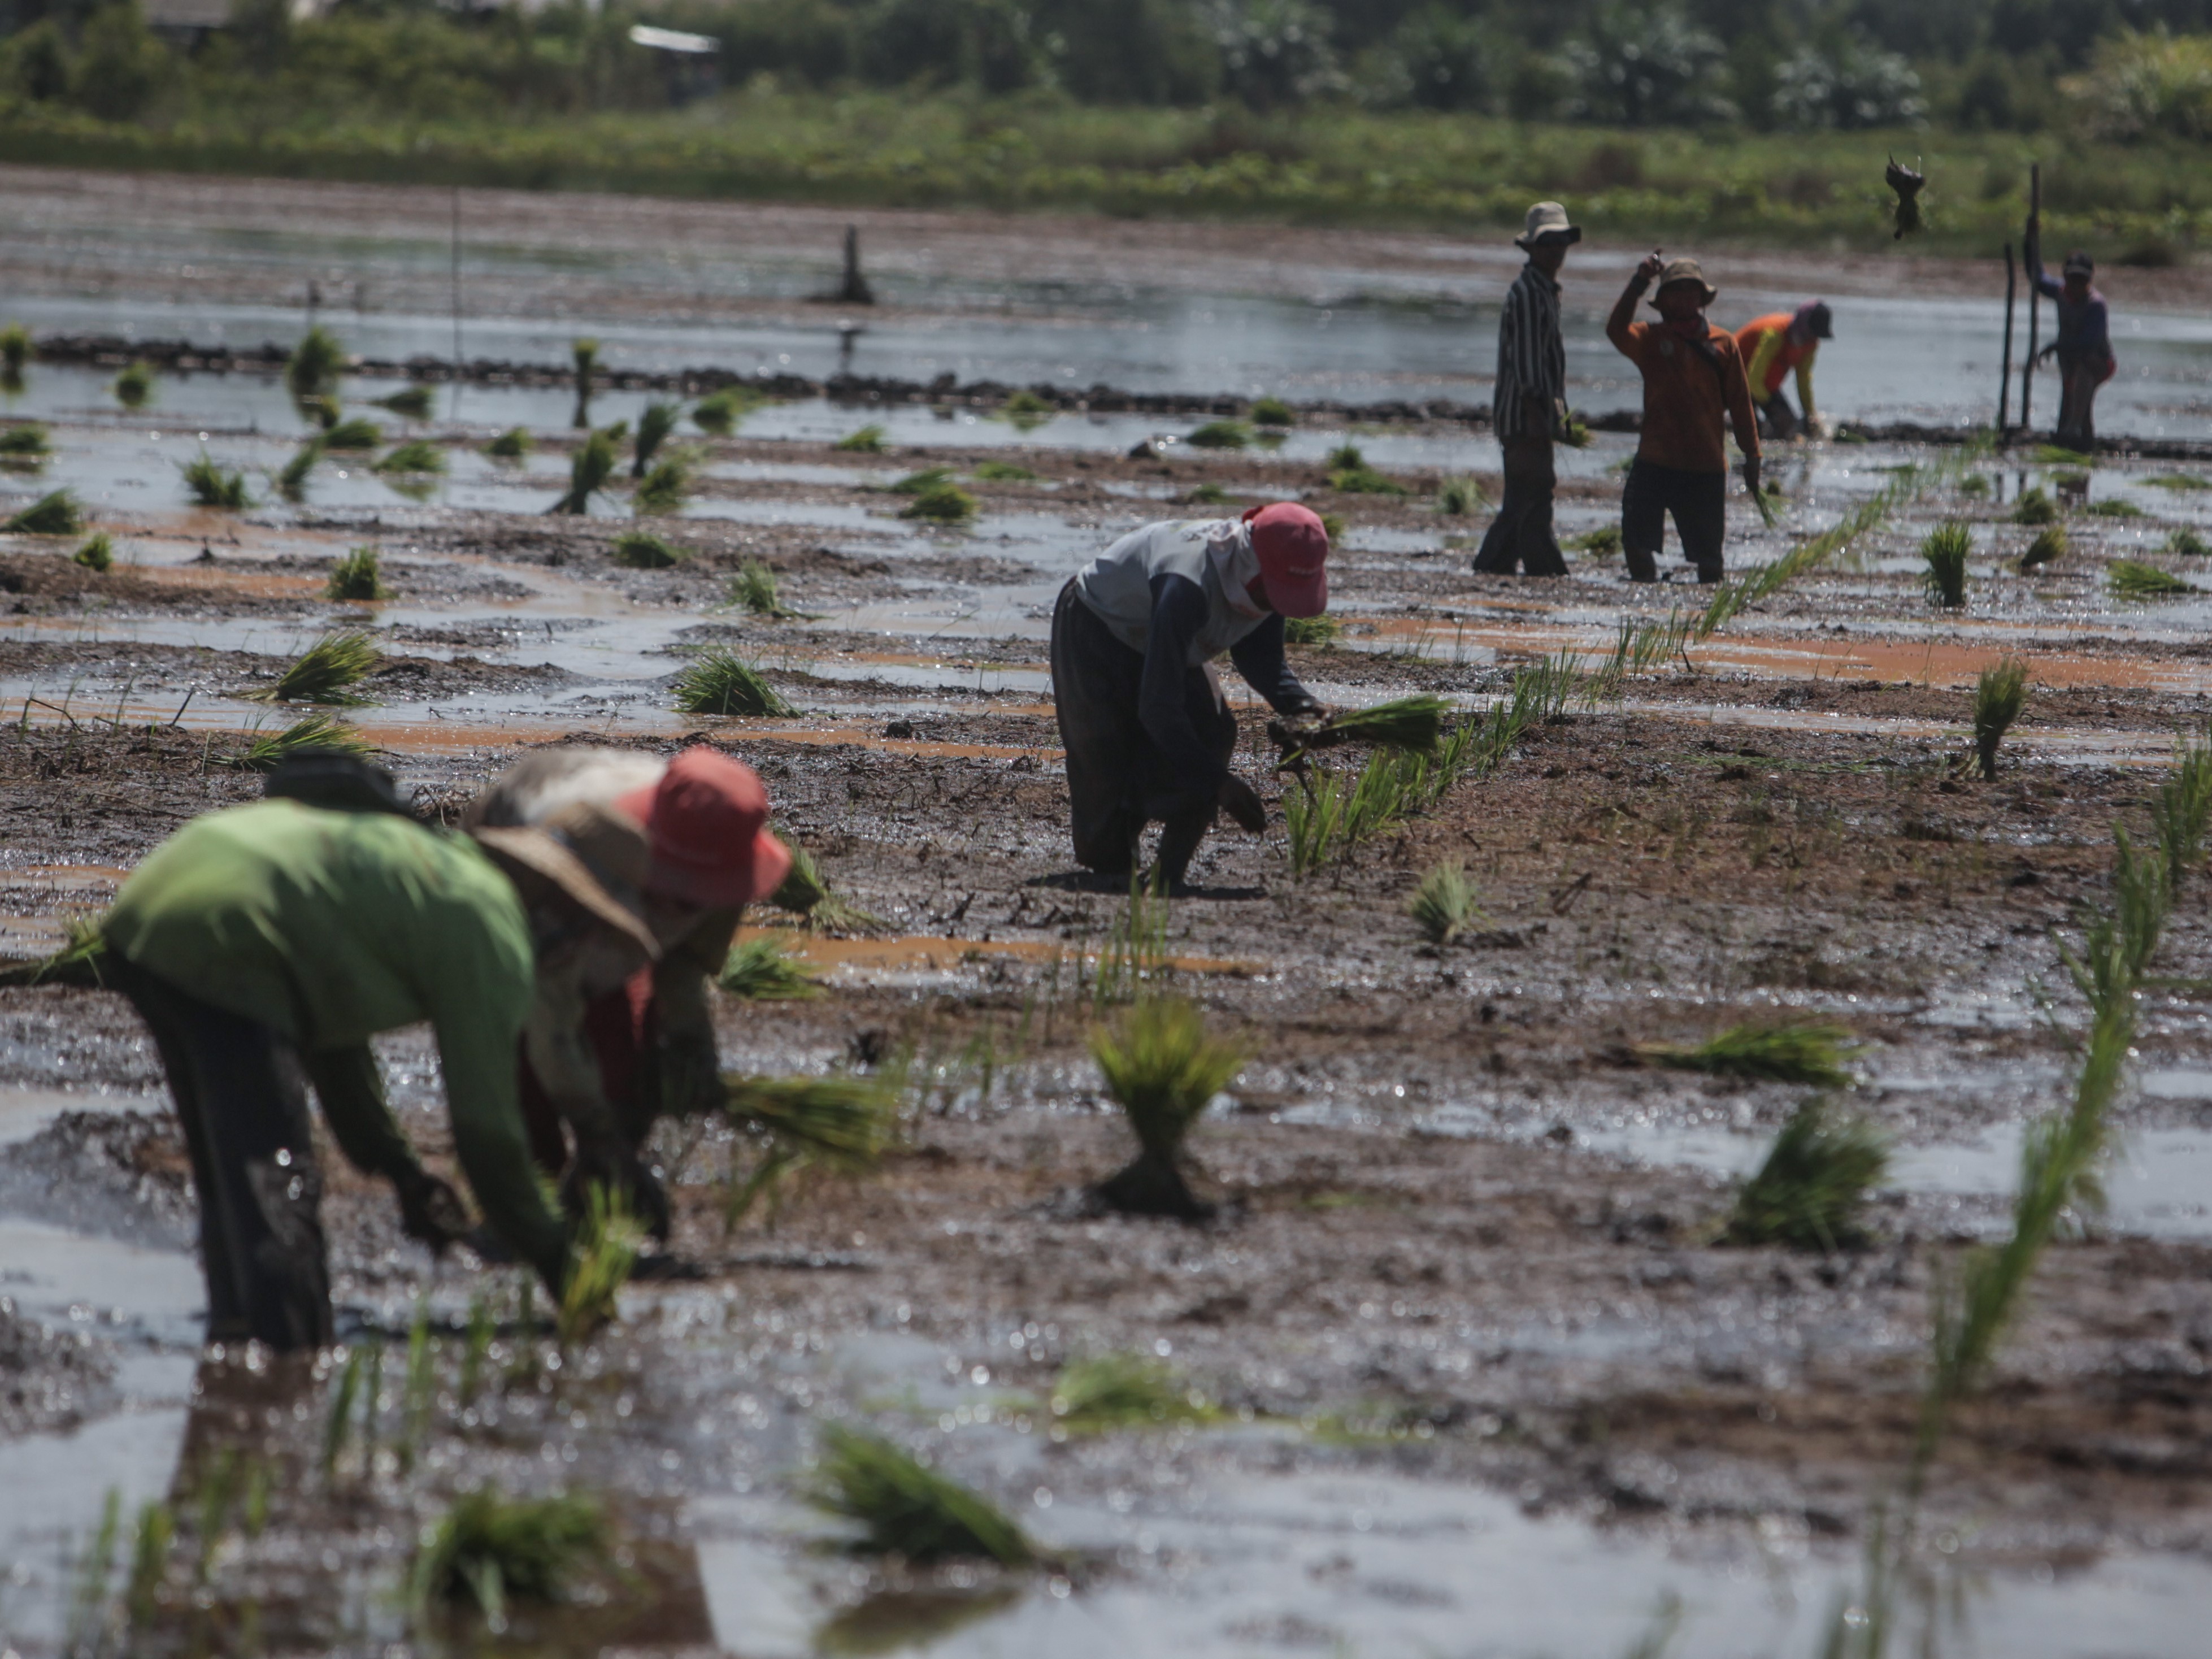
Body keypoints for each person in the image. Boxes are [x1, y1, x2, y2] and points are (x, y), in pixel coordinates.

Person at [100, 794, 661, 1350]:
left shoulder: (435, 873)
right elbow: (488, 1134)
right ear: (571, 911)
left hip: (155, 900)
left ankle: (234, 1338)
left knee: (229, 1169)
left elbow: (334, 1046)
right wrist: (567, 1270)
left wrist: (401, 1170)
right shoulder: (490, 927)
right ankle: (287, 1366)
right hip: (230, 929)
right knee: (276, 1179)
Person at [464, 744, 792, 1213]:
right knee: (523, 1079)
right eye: (677, 893)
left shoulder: (723, 840)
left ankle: (593, 1192)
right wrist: (597, 1134)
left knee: (626, 1064)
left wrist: (690, 1041)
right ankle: (527, 1210)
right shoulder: (578, 848)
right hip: (515, 888)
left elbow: (682, 962)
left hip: (608, 890)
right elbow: (548, 1012)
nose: (686, 907)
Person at [1051, 504, 1329, 891]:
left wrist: (1301, 706)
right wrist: (1220, 783)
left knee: (1212, 733)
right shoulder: (1189, 584)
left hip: (1164, 634)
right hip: (1098, 624)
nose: (1274, 602)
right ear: (1252, 564)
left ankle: (1168, 875)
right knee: (1104, 754)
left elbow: (1260, 659)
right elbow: (1158, 707)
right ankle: (1114, 867)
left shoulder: (1263, 581)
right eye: (1273, 591)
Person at [1606, 252, 1763, 585]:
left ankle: (1706, 615)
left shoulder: (1723, 344)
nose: (1685, 298)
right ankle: (1645, 601)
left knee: (1709, 559)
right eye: (1676, 291)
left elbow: (1740, 402)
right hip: (1655, 459)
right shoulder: (1650, 339)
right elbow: (1615, 330)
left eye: (1691, 291)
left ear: (1702, 299)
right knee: (1636, 539)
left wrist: (1752, 455)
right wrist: (1638, 282)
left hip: (1704, 464)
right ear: (1663, 301)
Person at [1473, 201, 1578, 577]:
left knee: (1526, 497)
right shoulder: (1532, 294)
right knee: (1531, 494)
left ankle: (1506, 566)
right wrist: (1539, 417)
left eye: (1560, 243)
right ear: (1531, 248)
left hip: (1526, 415)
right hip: (1524, 416)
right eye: (1548, 243)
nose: (1555, 251)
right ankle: (1532, 568)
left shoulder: (1540, 289)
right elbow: (1529, 365)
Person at [2026, 222, 2115, 449]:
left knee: (2082, 381)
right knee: (2072, 403)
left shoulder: (2096, 305)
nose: (2076, 285)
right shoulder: (2060, 292)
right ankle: (2079, 442)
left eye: (2082, 280)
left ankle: (2074, 429)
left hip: (2098, 362)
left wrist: (2056, 346)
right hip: (2071, 360)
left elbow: (2089, 343)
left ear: (2089, 281)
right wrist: (2031, 243)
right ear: (2065, 276)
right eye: (2072, 278)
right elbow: (2037, 276)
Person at [1735, 301, 1832, 441]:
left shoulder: (1810, 345)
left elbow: (1803, 380)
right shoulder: (1775, 335)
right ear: (1804, 326)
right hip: (1734, 381)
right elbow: (1752, 380)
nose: (1813, 340)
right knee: (1751, 433)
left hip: (1765, 386)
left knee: (1790, 429)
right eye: (1812, 333)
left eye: (1816, 336)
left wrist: (1810, 414)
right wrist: (1774, 409)